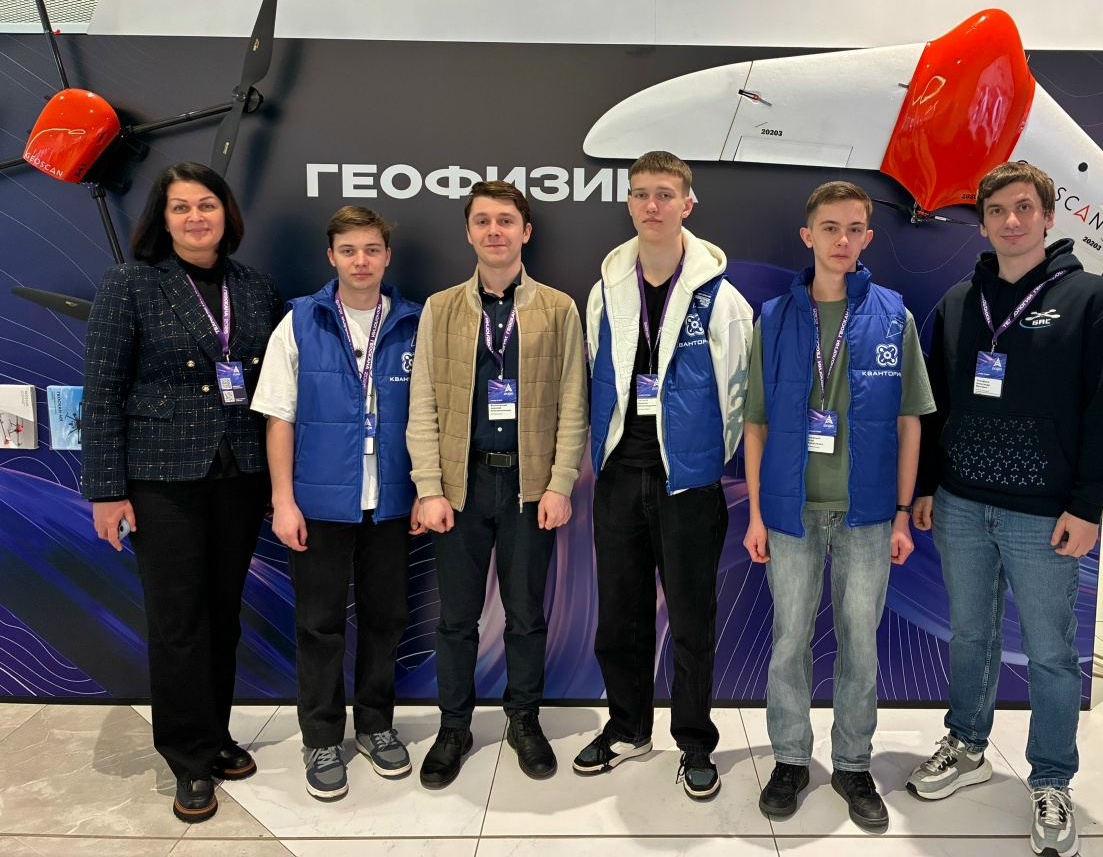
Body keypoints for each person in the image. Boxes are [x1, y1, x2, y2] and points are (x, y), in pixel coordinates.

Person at [908, 161, 1103, 857]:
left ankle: (1053, 780)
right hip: (962, 506)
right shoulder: (958, 302)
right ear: (981, 222)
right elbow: (937, 403)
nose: (1011, 220)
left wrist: (1089, 504)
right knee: (970, 637)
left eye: (1025, 207)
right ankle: (967, 745)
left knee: (1051, 653)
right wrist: (926, 487)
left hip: (1045, 515)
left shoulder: (1092, 299)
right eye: (998, 210)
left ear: (1048, 217)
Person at [82, 162, 283, 824]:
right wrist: (106, 491)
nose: (196, 217)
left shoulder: (255, 288)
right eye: (181, 207)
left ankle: (216, 734)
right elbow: (102, 393)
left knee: (222, 616)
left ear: (227, 213)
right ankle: (187, 757)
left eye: (207, 205)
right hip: (161, 479)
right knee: (178, 623)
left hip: (241, 476)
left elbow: (276, 389)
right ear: (162, 219)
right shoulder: (131, 283)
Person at [742, 181, 934, 826]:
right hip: (791, 511)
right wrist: (756, 514)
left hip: (868, 514)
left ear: (868, 238)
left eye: (854, 229)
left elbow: (910, 421)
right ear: (808, 236)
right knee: (789, 641)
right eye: (830, 228)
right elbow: (756, 422)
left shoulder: (894, 316)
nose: (842, 240)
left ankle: (853, 764)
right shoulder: (774, 317)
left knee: (860, 645)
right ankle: (791, 759)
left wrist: (903, 513)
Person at [576, 150, 753, 800]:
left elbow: (739, 397)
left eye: (665, 194)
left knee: (692, 621)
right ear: (628, 203)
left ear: (687, 204)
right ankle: (628, 728)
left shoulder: (721, 297)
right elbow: (595, 372)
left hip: (689, 485)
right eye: (641, 193)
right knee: (619, 616)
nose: (652, 205)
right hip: (620, 477)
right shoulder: (606, 289)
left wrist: (702, 461)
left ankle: (695, 741)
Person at [406, 180, 587, 787]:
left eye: (506, 220)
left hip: (528, 488)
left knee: (526, 616)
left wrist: (560, 483)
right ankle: (453, 727)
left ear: (525, 231)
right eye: (482, 221)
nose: (494, 231)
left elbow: (573, 404)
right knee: (456, 619)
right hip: (461, 486)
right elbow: (423, 402)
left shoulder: (558, 308)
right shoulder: (441, 308)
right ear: (468, 232)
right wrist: (429, 486)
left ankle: (524, 720)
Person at [251, 206, 422, 801]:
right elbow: (279, 417)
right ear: (331, 256)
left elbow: (431, 415)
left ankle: (375, 725)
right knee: (319, 625)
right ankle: (321, 737)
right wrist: (283, 501)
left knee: (386, 620)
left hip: (390, 502)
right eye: (349, 250)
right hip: (318, 504)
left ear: (387, 256)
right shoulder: (300, 321)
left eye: (372, 249)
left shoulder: (414, 322)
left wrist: (426, 490)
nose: (361, 261)